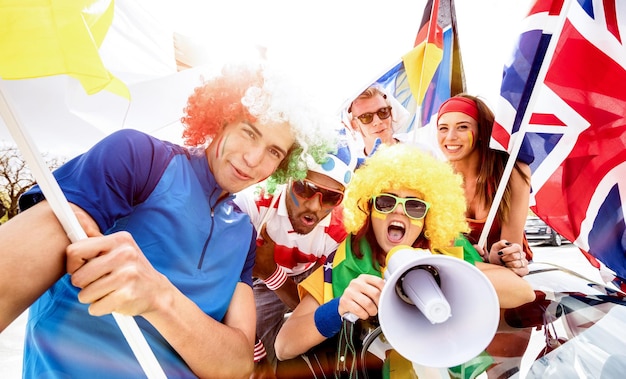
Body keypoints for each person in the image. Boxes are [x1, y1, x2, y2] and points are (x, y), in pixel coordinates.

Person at [0, 63, 334, 378]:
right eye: (249, 133)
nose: (253, 159)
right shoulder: (138, 159)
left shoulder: (244, 234)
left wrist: (160, 298)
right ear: (222, 120)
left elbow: (236, 365)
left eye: (274, 151)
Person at [273, 143, 536, 378]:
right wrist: (339, 307)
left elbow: (523, 292)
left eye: (414, 206)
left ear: (427, 218)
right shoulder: (345, 263)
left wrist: (444, 273)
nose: (399, 211)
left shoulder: (445, 248)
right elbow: (283, 346)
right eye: (386, 202)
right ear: (368, 208)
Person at [233, 127, 357, 376]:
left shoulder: (339, 231)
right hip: (251, 278)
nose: (314, 206)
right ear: (288, 177)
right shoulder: (252, 204)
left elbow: (309, 314)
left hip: (301, 273)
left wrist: (271, 272)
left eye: (331, 197)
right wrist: (256, 354)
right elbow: (225, 289)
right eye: (305, 188)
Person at [436, 94, 533, 277]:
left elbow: (511, 252)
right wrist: (469, 254)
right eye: (443, 128)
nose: (450, 137)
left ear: (482, 132)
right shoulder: (436, 179)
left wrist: (499, 256)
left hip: (513, 274)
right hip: (464, 273)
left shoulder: (511, 173)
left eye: (462, 127)